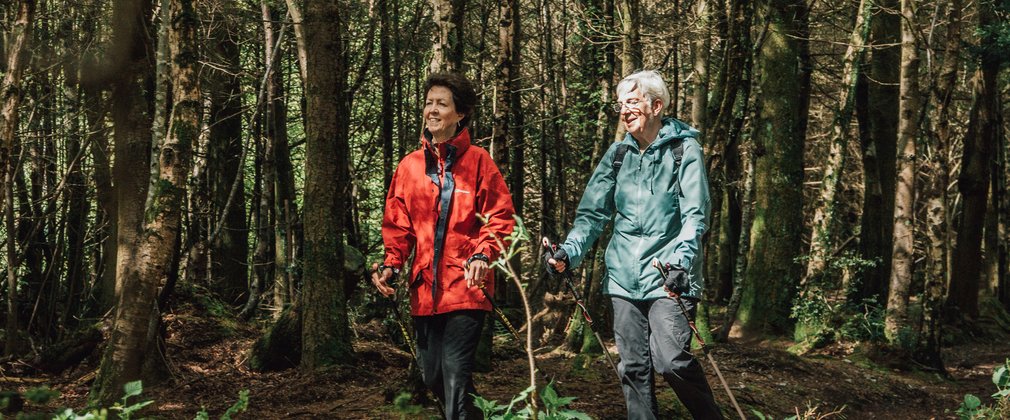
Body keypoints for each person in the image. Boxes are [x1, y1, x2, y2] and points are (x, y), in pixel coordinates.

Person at [543, 70, 722, 419]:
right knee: (634, 369)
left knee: (670, 361)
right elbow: (592, 216)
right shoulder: (617, 154)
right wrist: (568, 252)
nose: (624, 110)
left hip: (668, 278)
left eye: (632, 102)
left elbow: (695, 217)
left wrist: (681, 264)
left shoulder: (684, 150)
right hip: (624, 277)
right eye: (621, 104)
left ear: (656, 105)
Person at [371, 71, 516, 419]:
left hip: (466, 288)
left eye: (442, 104)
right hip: (424, 291)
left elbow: (500, 218)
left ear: (460, 113)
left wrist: (483, 252)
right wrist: (391, 264)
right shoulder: (409, 167)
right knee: (433, 376)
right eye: (429, 103)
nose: (432, 110)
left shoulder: (480, 162)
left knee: (454, 374)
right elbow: (399, 225)